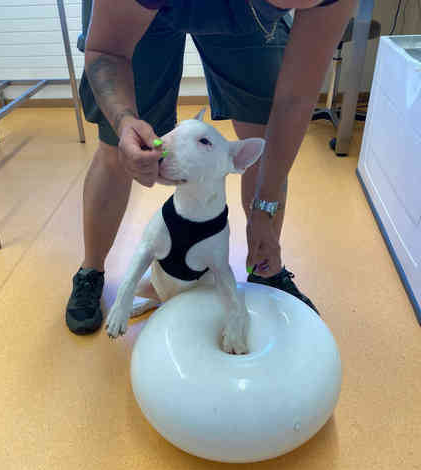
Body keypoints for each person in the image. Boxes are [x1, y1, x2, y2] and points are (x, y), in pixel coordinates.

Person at [66, 0, 355, 335]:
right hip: (139, 12)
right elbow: (107, 50)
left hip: (246, 18)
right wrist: (124, 120)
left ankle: (264, 266)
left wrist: (265, 209)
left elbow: (295, 100)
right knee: (116, 147)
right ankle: (91, 270)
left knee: (262, 131)